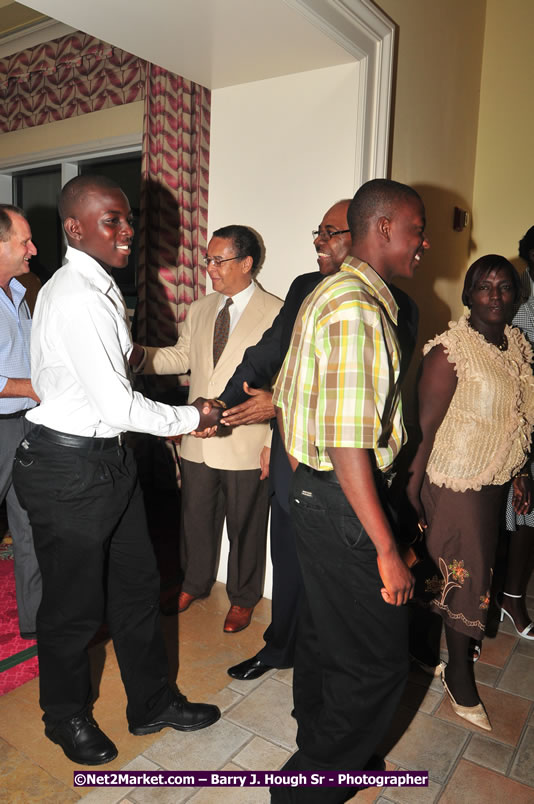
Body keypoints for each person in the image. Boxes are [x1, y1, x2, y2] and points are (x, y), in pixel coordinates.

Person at [12, 175, 221, 766]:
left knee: (135, 591)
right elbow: (118, 407)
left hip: (107, 459)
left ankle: (152, 701)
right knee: (73, 609)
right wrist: (194, 415)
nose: (127, 229)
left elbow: (88, 381)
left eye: (128, 218)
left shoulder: (96, 286)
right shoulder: (78, 294)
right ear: (75, 228)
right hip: (69, 469)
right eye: (112, 220)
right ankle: (65, 716)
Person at [271, 179, 428, 804]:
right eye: (417, 230)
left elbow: (287, 399)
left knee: (325, 636)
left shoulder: (327, 292)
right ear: (384, 227)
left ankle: (329, 749)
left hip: (322, 497)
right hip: (345, 498)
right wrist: (386, 547)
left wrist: (305, 483)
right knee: (377, 662)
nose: (423, 245)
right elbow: (346, 442)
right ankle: (311, 786)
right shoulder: (358, 307)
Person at [220, 200, 352, 679]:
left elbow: (360, 393)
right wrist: (221, 406)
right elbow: (270, 350)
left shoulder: (393, 302)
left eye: (331, 231)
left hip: (345, 465)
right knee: (289, 557)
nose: (318, 240)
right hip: (290, 455)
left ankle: (329, 657)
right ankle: (281, 648)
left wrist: (279, 403)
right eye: (318, 230)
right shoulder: (304, 287)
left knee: (336, 569)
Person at [406, 255, 534, 732]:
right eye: (485, 287)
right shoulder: (451, 350)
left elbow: (519, 415)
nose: (495, 296)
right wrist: (413, 491)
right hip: (455, 480)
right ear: (468, 295)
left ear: (517, 295)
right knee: (470, 578)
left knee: (458, 573)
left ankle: (428, 654)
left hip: (494, 479)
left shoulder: (516, 345)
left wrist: (521, 471)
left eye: (504, 287)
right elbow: (424, 428)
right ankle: (458, 673)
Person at [136, 225, 282, 633]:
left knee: (247, 526)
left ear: (246, 263)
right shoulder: (201, 309)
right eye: (208, 259)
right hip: (196, 442)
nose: (209, 268)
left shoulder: (277, 313)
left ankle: (243, 597)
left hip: (246, 443)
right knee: (194, 520)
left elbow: (285, 384)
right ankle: (193, 583)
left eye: (218, 260)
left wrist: (273, 440)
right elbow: (180, 357)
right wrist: (138, 357)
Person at [0, 204, 41, 639]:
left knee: (30, 525)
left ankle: (35, 622)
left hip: (28, 426)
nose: (33, 248)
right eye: (23, 241)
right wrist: (29, 386)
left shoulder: (21, 291)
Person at [502, 227, 534, 640]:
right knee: (514, 516)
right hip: (517, 425)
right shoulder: (519, 305)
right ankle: (498, 600)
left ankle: (510, 597)